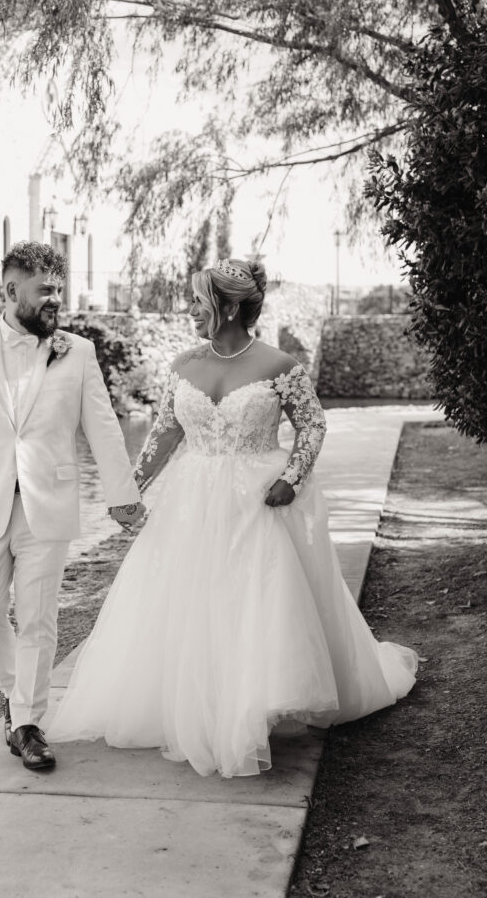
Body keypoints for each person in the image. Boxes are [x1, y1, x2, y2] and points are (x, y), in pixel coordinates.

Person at [47, 257, 418, 778]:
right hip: (192, 501)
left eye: (198, 302)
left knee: (254, 600)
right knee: (193, 601)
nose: (190, 311)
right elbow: (163, 439)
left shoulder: (278, 365)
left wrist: (292, 476)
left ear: (226, 306)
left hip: (258, 500)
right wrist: (124, 492)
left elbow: (313, 425)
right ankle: (198, 701)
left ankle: (253, 705)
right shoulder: (181, 368)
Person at [0, 241, 145, 773]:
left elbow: (104, 428)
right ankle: (15, 695)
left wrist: (122, 496)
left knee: (40, 619)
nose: (54, 301)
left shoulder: (79, 352)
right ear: (10, 290)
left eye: (58, 291)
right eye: (44, 291)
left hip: (49, 503)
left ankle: (26, 723)